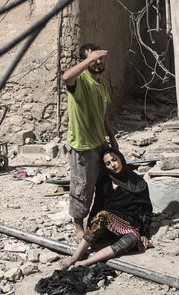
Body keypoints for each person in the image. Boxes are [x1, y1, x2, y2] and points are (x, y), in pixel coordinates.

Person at [60, 148, 153, 270]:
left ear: (121, 159)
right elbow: (97, 205)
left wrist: (143, 233)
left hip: (130, 223)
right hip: (108, 221)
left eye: (114, 160)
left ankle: (87, 262)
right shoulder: (105, 182)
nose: (113, 165)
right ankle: (75, 257)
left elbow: (146, 210)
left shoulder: (138, 182)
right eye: (108, 163)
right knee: (102, 216)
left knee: (131, 240)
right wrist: (90, 229)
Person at [61, 43, 118, 239]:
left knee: (103, 184)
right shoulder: (80, 81)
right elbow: (66, 77)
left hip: (99, 143)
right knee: (82, 187)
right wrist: (88, 60)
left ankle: (99, 220)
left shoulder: (100, 82)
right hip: (82, 145)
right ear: (84, 62)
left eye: (100, 59)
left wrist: (111, 137)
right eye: (94, 60)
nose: (98, 62)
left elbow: (103, 114)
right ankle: (78, 225)